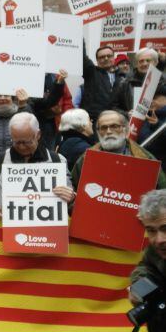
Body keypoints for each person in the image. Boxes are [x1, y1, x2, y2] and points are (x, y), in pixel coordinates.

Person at [0, 113, 75, 219]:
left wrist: (71, 196)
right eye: (16, 142)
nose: (22, 147)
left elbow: (69, 193)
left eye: (27, 142)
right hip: (9, 226)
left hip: (46, 228)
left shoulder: (57, 160)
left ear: (38, 135)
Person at [71, 110, 166, 189]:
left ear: (126, 129)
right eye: (103, 128)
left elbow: (162, 192)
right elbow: (74, 188)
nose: (108, 131)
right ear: (98, 132)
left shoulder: (145, 158)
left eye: (114, 126)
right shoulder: (86, 158)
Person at [129, 189, 166, 331]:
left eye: (165, 228)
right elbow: (145, 267)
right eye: (151, 230)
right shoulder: (155, 251)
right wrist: (140, 287)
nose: (159, 240)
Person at [113, 48, 166, 114]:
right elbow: (114, 107)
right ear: (137, 64)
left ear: (156, 62)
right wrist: (126, 114)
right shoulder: (124, 83)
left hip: (161, 122)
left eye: (148, 60)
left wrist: (161, 106)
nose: (144, 64)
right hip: (134, 122)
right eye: (141, 61)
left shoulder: (164, 81)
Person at [81, 45, 125, 123]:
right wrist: (80, 37)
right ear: (97, 60)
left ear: (113, 58)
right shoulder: (91, 73)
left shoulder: (123, 76)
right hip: (95, 121)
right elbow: (82, 56)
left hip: (118, 121)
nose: (106, 58)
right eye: (102, 57)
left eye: (109, 56)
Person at [139, 87, 166, 171]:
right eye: (149, 98)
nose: (150, 101)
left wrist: (157, 125)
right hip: (143, 165)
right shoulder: (144, 116)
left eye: (155, 98)